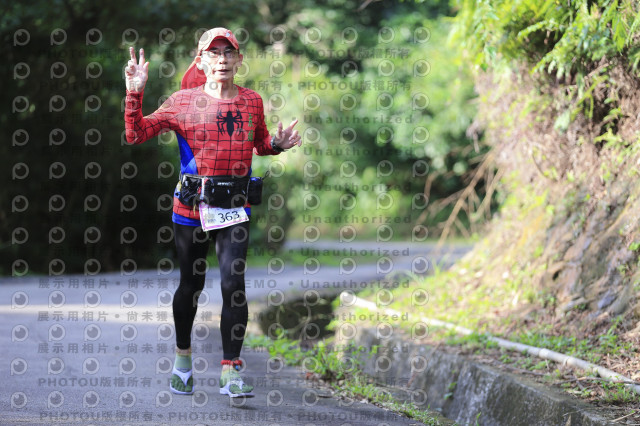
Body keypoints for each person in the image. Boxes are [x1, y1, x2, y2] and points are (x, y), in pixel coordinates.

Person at [123, 27, 301, 398]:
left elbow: (260, 143)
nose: (222, 59)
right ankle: (183, 358)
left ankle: (231, 370)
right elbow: (135, 134)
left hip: (234, 207)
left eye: (228, 52)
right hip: (192, 208)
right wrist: (134, 93)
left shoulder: (252, 101)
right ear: (201, 61)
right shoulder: (182, 102)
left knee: (234, 284)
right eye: (214, 53)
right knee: (192, 285)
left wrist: (277, 144)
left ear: (239, 59)